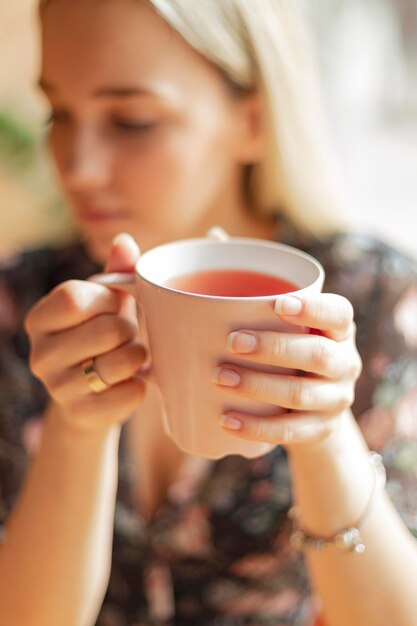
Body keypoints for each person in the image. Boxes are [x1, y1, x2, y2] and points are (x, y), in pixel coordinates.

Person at [0, 1, 417, 625]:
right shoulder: (27, 306)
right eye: (60, 112)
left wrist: (325, 432)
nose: (77, 167)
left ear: (253, 119)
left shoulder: (375, 300)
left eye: (133, 120)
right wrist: (77, 430)